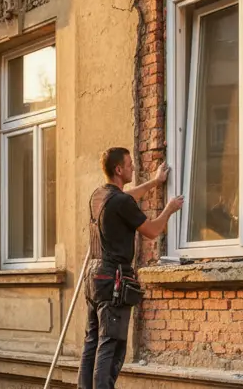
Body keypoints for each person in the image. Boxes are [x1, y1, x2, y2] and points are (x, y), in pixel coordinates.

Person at [77, 147, 184, 389]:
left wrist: (155, 182)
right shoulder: (121, 202)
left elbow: (127, 198)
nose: (133, 168)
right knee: (111, 344)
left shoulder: (98, 195)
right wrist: (169, 209)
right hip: (112, 279)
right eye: (129, 164)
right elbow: (152, 231)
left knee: (92, 342)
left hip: (93, 278)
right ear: (118, 170)